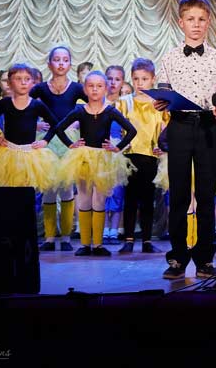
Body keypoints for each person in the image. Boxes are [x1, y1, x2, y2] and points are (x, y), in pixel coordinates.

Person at [155, 0, 216, 280]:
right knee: (180, 194)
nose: (196, 25)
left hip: (208, 126)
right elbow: (163, 93)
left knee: (207, 195)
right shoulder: (169, 57)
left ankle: (205, 259)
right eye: (190, 19)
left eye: (201, 20)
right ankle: (177, 258)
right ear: (181, 23)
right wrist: (160, 102)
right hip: (180, 125)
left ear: (208, 23)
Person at [55, 71, 137, 257]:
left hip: (103, 158)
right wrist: (71, 144)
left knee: (99, 200)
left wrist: (118, 147)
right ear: (85, 89)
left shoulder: (110, 111)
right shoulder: (80, 110)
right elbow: (59, 128)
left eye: (99, 86)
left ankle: (98, 244)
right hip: (83, 157)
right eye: (91, 86)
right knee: (84, 199)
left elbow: (131, 131)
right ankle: (85, 244)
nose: (95, 89)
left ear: (105, 89)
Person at [30, 46, 88, 251]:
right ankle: (49, 238)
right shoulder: (40, 88)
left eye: (65, 60)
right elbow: (23, 105)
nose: (61, 63)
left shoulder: (76, 88)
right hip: (46, 140)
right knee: (48, 189)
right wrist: (35, 124)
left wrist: (79, 122)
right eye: (57, 59)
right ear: (49, 64)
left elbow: (94, 106)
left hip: (68, 140)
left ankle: (65, 238)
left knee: (66, 188)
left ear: (70, 64)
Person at [0, 64, 62, 193]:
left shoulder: (37, 105)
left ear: (32, 83)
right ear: (10, 83)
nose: (23, 82)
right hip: (8, 152)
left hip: (30, 154)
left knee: (27, 190)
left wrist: (45, 140)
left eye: (27, 79)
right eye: (18, 79)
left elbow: (55, 124)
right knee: (7, 189)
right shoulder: (5, 103)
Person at [117, 58, 166, 253]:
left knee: (148, 199)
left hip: (150, 155)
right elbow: (118, 127)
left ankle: (146, 240)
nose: (140, 83)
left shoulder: (159, 104)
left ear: (153, 79)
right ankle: (129, 238)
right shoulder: (124, 103)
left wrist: (163, 146)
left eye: (144, 79)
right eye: (136, 79)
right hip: (130, 156)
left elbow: (165, 128)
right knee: (130, 198)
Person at [103, 65, 127, 243]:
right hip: (101, 149)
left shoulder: (124, 104)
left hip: (119, 149)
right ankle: (103, 228)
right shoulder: (99, 102)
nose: (113, 82)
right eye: (110, 78)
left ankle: (115, 229)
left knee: (118, 190)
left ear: (122, 82)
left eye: (117, 79)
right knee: (102, 189)